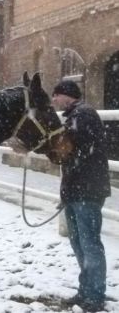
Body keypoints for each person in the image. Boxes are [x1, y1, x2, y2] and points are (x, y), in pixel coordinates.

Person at [51, 80, 111, 312]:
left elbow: (75, 152)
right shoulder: (76, 116)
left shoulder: (82, 116)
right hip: (78, 190)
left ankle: (95, 295)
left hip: (86, 190)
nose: (54, 100)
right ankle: (87, 291)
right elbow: (70, 152)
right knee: (79, 242)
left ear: (67, 95)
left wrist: (54, 151)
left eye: (56, 95)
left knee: (89, 243)